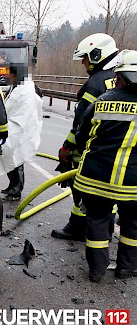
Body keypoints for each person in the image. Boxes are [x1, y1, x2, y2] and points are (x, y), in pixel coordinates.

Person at [73, 49, 137, 282]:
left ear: (119, 77)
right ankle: (126, 268)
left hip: (95, 179)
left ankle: (97, 271)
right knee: (133, 226)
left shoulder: (102, 101)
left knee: (97, 222)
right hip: (133, 185)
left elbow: (82, 135)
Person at [51, 33, 119, 241]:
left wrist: (67, 148)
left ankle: (79, 227)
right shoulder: (122, 77)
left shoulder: (95, 83)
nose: (83, 62)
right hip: (119, 150)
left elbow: (80, 123)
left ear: (98, 55)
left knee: (81, 187)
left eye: (86, 58)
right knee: (110, 190)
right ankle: (105, 225)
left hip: (91, 149)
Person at [0, 67, 43, 201]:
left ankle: (16, 190)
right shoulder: (17, 86)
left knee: (17, 158)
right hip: (13, 126)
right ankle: (12, 186)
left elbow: (25, 108)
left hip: (21, 128)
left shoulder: (26, 89)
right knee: (9, 156)